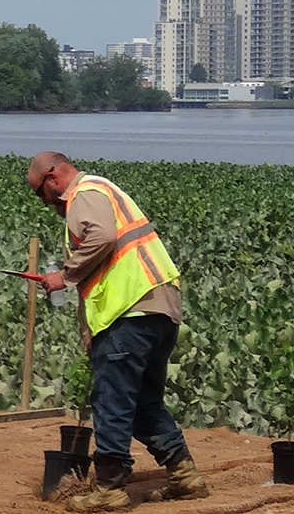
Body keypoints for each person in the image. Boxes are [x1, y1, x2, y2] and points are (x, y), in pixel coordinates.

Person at [26, 151, 206, 511]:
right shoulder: (104, 190)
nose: (44, 202)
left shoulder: (84, 193)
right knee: (143, 402)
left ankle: (110, 488)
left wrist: (65, 274)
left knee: (111, 400)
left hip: (130, 311)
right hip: (159, 307)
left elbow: (103, 236)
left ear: (52, 177)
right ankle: (185, 475)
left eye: (39, 193)